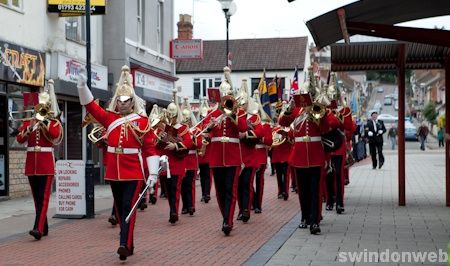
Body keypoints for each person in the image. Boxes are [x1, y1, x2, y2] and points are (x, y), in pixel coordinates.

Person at [77, 66, 160, 260]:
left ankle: (123, 243)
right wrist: (82, 86)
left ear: (132, 102)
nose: (122, 104)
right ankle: (128, 243)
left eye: (126, 101)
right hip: (114, 170)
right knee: (120, 207)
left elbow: (149, 148)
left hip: (134, 171)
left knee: (127, 207)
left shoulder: (142, 121)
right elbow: (91, 107)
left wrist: (153, 173)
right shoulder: (109, 118)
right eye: (120, 101)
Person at [16, 80, 63, 241]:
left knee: (43, 199)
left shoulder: (53, 122)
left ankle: (37, 228)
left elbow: (55, 135)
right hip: (32, 165)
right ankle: (44, 227)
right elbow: (20, 139)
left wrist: (43, 121)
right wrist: (30, 127)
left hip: (46, 165)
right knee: (37, 198)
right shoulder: (30, 122)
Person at [205, 67, 248, 236]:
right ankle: (225, 216)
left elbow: (243, 128)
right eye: (222, 94)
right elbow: (205, 134)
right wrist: (209, 127)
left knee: (231, 189)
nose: (224, 97)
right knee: (220, 191)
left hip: (232, 156)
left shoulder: (238, 111)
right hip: (216, 156)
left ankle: (228, 221)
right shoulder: (213, 113)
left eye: (227, 93)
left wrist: (232, 115)